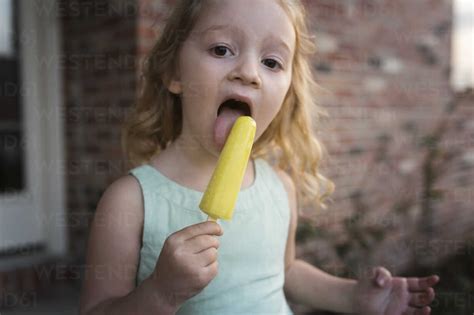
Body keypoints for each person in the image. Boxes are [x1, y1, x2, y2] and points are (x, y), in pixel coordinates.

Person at [79, 0, 440, 314]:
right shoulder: (130, 202)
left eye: (271, 61)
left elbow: (286, 271)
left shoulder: (279, 188)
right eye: (221, 50)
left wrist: (353, 298)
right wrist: (160, 293)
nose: (249, 73)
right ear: (174, 72)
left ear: (287, 92)